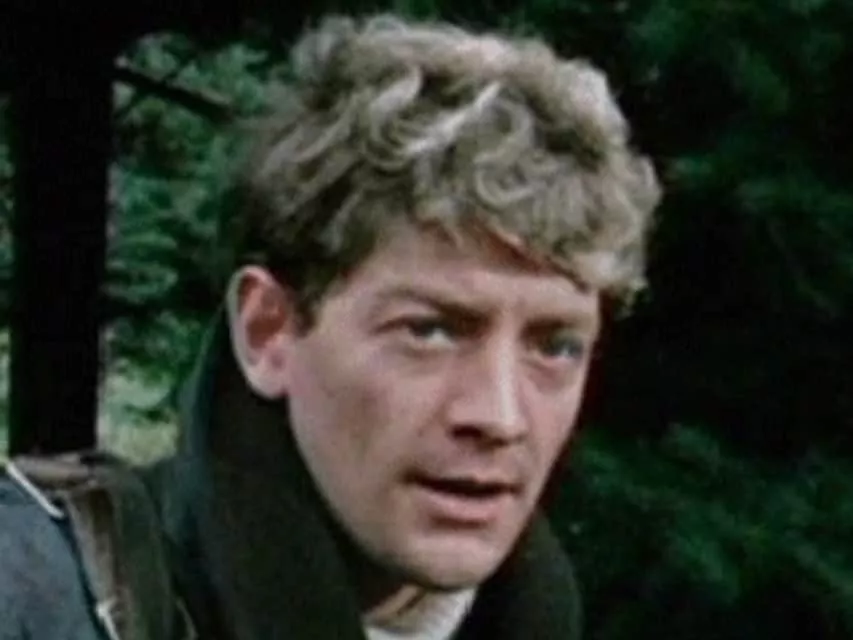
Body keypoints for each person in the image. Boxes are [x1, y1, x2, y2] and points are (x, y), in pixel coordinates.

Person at [0, 13, 659, 640]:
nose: (499, 416)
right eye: (430, 331)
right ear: (268, 332)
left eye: (555, 346)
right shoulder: (31, 595)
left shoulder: (543, 614)